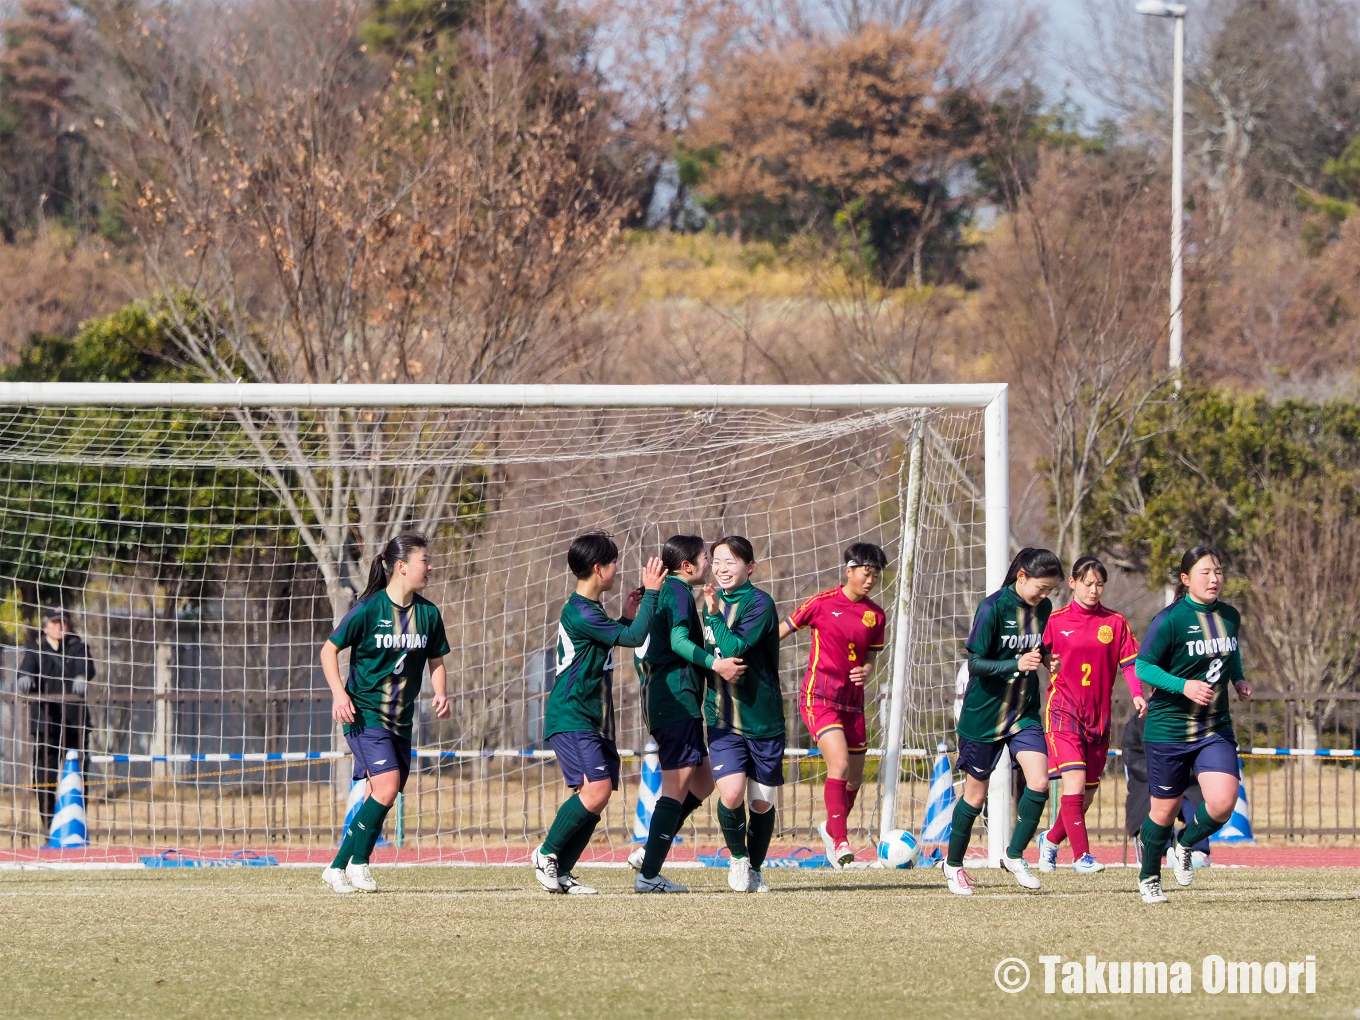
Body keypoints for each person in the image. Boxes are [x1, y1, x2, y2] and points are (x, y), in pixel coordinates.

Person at [535, 532, 666, 895]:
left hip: (593, 718)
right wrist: (653, 592)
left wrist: (625, 617)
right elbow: (636, 639)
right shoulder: (579, 611)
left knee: (599, 794)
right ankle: (545, 853)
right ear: (598, 568)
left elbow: (620, 635)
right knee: (596, 791)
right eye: (613, 563)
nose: (616, 569)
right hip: (573, 714)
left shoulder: (591, 612)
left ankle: (560, 871)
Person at [320, 533, 451, 894]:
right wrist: (338, 695)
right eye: (425, 560)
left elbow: (436, 659)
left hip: (401, 722)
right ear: (401, 566)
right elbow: (328, 651)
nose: (430, 566)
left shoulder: (428, 614)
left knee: (382, 793)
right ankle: (348, 865)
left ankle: (348, 866)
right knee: (387, 786)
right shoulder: (368, 610)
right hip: (364, 716)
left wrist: (440, 692)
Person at [1133, 546, 1252, 904]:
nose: (1214, 579)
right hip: (1169, 728)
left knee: (1222, 801)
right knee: (1164, 810)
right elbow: (1143, 667)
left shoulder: (1230, 615)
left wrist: (1239, 679)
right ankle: (1150, 876)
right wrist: (1182, 685)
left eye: (1218, 571)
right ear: (1186, 580)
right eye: (1205, 572)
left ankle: (1185, 845)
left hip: (1214, 725)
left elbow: (1229, 653)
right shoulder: (1169, 620)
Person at [629, 535, 744, 894]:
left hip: (673, 699)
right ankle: (649, 875)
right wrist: (716, 664)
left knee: (705, 779)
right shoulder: (677, 591)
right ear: (687, 566)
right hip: (675, 700)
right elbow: (678, 643)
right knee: (674, 791)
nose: (710, 564)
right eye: (704, 558)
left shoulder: (669, 592)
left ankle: (651, 849)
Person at [944, 548, 1063, 896]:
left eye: (1049, 591)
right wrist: (1016, 665)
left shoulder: (1043, 609)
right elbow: (977, 664)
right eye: (1040, 588)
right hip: (984, 715)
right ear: (1021, 576)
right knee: (975, 795)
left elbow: (1034, 650)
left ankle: (1014, 855)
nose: (1043, 596)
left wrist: (1045, 661)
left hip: (1023, 712)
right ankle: (953, 866)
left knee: (1039, 781)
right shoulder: (992, 608)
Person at [780, 542, 888, 870]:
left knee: (855, 778)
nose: (870, 580)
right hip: (819, 698)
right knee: (838, 764)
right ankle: (840, 840)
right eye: (865, 573)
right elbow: (780, 632)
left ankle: (831, 827)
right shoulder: (821, 604)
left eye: (876, 575)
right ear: (850, 570)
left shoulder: (876, 614)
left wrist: (867, 669)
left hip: (852, 704)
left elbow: (871, 654)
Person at [1037, 556, 1147, 875]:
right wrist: (1043, 659)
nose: (1094, 590)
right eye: (1088, 584)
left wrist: (1138, 693)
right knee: (1074, 780)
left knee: (1084, 797)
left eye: (1099, 584)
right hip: (1063, 713)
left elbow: (1129, 664)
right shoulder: (1055, 621)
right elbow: (1036, 650)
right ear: (1072, 583)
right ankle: (1082, 856)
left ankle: (1051, 840)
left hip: (1098, 719)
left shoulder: (1114, 623)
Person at [701, 536, 783, 893]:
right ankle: (737, 858)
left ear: (749, 567)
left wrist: (714, 615)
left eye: (731, 561)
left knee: (762, 802)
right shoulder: (702, 603)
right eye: (717, 560)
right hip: (721, 717)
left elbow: (734, 648)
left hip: (762, 717)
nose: (722, 568)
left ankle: (756, 867)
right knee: (731, 794)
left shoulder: (759, 603)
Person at [18, 609, 95, 835]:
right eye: (54, 622)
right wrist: (25, 678)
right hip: (46, 722)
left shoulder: (78, 647)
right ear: (45, 627)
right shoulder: (35, 649)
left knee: (78, 774)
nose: (59, 627)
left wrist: (81, 677)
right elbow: (26, 668)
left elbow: (87, 667)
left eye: (63, 623)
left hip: (75, 722)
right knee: (43, 776)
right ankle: (50, 826)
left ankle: (75, 826)